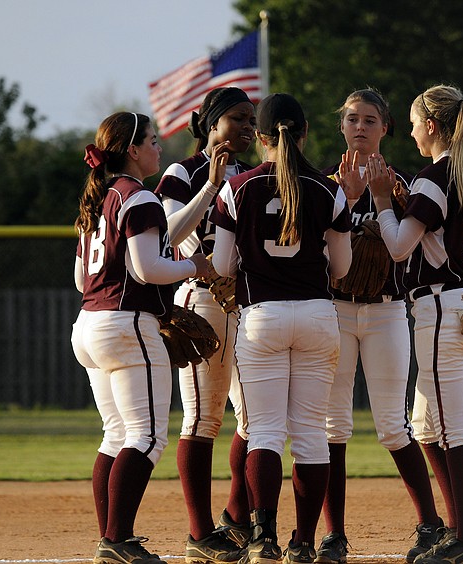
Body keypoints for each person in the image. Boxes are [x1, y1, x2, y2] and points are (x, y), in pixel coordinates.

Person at [365, 85, 463, 564]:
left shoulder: (433, 177)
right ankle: (456, 531)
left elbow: (400, 246)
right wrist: (439, 230)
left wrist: (385, 202)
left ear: (431, 125)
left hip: (442, 307)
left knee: (452, 427)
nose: (408, 130)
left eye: (411, 122)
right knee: (427, 426)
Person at [209, 93, 353, 564]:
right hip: (316, 315)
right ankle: (305, 544)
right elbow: (343, 269)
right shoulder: (329, 190)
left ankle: (262, 539)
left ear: (264, 139)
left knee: (265, 432)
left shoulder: (238, 188)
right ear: (306, 133)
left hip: (262, 318)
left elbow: (223, 263)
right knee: (311, 432)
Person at [71, 111, 209, 564]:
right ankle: (117, 539)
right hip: (126, 324)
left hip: (89, 324)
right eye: (152, 141)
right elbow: (150, 270)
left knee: (116, 435)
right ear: (132, 149)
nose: (158, 148)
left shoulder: (97, 199)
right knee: (148, 436)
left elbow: (79, 279)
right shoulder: (140, 197)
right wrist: (195, 267)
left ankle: (111, 537)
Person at [316, 88, 444, 564]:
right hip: (336, 308)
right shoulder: (326, 183)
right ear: (341, 126)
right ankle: (335, 536)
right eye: (352, 119)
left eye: (371, 120)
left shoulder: (405, 184)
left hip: (389, 309)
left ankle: (430, 525)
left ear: (386, 128)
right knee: (334, 426)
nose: (360, 127)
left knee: (394, 425)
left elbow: (414, 245)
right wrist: (349, 206)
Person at [153, 87, 257, 563]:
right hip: (205, 300)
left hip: (252, 304)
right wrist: (211, 185)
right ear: (211, 122)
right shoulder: (184, 171)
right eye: (236, 117)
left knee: (258, 418)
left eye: (250, 118)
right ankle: (200, 534)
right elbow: (168, 237)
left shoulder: (257, 173)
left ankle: (236, 517)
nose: (246, 126)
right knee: (203, 417)